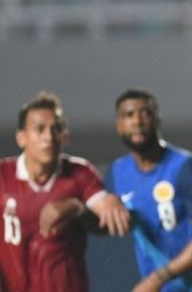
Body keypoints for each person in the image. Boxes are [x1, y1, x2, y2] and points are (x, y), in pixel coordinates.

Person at [105, 89, 192, 291]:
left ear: (158, 120)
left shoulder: (184, 167)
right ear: (119, 125)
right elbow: (103, 224)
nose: (137, 121)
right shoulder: (117, 172)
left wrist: (159, 277)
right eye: (128, 115)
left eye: (145, 113)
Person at [0, 91, 130, 292]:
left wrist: (80, 209)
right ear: (21, 138)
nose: (48, 137)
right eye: (39, 129)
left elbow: (104, 220)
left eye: (56, 129)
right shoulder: (3, 177)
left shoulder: (80, 173)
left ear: (65, 136)